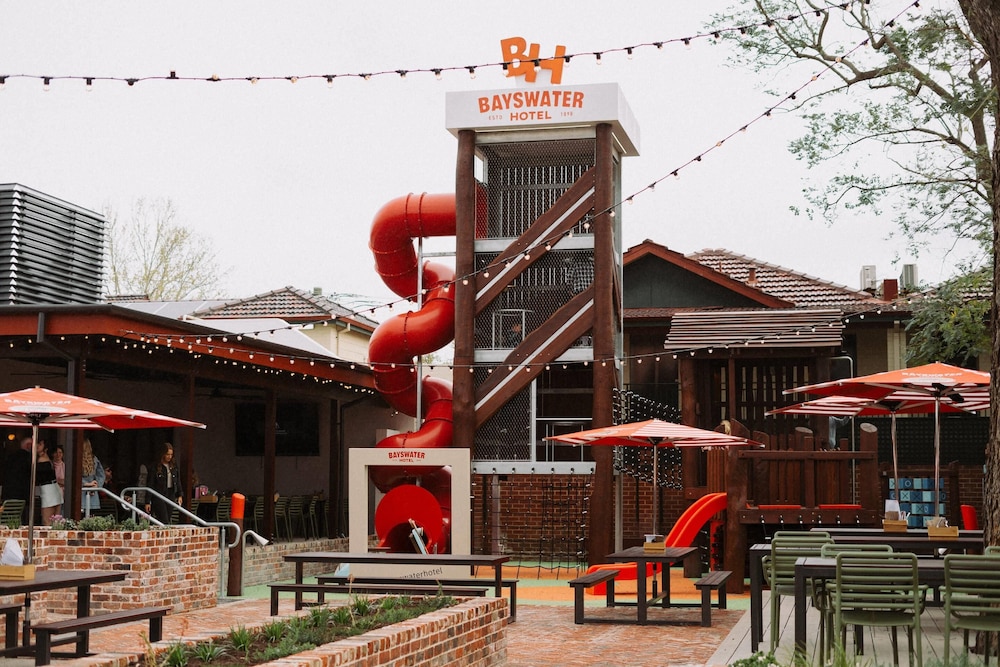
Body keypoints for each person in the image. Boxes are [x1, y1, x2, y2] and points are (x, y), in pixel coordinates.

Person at [1, 437, 32, 524]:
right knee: (21, 517)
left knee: (8, 516)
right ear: (28, 446)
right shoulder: (28, 458)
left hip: (8, 492)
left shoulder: (10, 457)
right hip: (22, 494)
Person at [150, 442, 183, 524]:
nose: (169, 457)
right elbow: (150, 483)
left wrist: (180, 494)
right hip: (159, 494)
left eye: (171, 455)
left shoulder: (173, 465)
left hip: (170, 493)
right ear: (163, 454)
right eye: (167, 454)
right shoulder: (156, 466)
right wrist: (147, 501)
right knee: (163, 518)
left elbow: (177, 480)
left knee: (168, 517)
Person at [34, 439, 62, 524]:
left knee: (47, 520)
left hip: (48, 490)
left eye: (40, 444)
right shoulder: (49, 460)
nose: (37, 445)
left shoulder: (42, 460)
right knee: (55, 520)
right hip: (54, 488)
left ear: (45, 449)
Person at [80, 438, 106, 514]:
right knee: (91, 517)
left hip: (81, 494)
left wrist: (85, 484)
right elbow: (101, 475)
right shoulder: (94, 459)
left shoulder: (76, 459)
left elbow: (72, 476)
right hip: (92, 494)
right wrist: (96, 485)